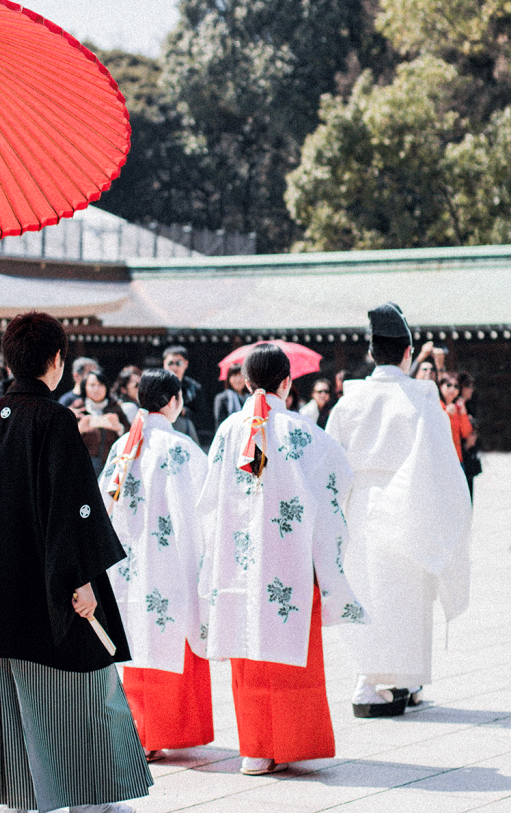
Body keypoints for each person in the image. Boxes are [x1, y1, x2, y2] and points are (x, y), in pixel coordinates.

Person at [0, 312, 152, 813]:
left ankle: (18, 800)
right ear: (56, 360)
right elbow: (74, 507)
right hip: (48, 586)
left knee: (13, 704)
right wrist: (82, 579)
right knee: (78, 692)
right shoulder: (55, 420)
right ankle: (92, 799)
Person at [199, 343, 366, 775]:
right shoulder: (305, 430)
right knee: (290, 654)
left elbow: (209, 504)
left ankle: (255, 749)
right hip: (289, 564)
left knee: (248, 656)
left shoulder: (228, 432)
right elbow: (341, 484)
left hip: (239, 565)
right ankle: (291, 743)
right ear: (287, 383)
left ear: (247, 381)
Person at [326, 303, 472, 717]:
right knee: (407, 595)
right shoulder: (422, 399)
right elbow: (442, 466)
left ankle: (371, 681)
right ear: (409, 352)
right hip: (411, 500)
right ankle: (398, 680)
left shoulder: (348, 403)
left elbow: (331, 466)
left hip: (359, 507)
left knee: (367, 591)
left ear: (373, 353)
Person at [101, 369, 213, 762]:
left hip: (131, 565)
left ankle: (139, 733)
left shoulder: (123, 447)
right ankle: (161, 732)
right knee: (169, 639)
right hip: (168, 563)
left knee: (137, 644)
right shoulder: (179, 448)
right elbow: (202, 509)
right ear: (174, 401)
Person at [70, 369, 130, 476]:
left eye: (100, 384)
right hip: (82, 468)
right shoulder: (76, 409)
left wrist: (119, 428)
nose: (97, 389)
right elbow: (63, 440)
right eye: (92, 385)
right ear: (84, 387)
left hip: (112, 466)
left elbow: (130, 438)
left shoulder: (116, 409)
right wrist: (79, 430)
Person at [162, 346, 211, 447]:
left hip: (187, 435)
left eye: (178, 363)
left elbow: (203, 418)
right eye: (170, 363)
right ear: (164, 364)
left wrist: (184, 411)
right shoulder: (157, 386)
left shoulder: (194, 388)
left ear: (186, 364)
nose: (174, 367)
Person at [438, 373, 475, 465]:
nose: (452, 389)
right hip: (441, 459)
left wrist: (462, 413)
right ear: (440, 386)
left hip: (457, 459)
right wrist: (446, 414)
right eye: (448, 385)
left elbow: (466, 433)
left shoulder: (457, 407)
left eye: (456, 386)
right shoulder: (436, 404)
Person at [458, 372, 482, 500]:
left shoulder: (469, 405)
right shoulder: (458, 406)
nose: (471, 390)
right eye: (468, 386)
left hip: (469, 456)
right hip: (461, 455)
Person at [213, 363, 248, 429]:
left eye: (241, 375)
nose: (238, 379)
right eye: (234, 375)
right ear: (229, 379)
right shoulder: (222, 398)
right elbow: (219, 424)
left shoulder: (250, 398)